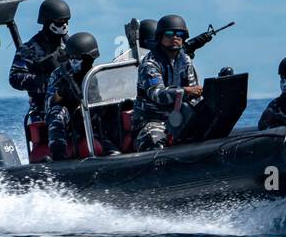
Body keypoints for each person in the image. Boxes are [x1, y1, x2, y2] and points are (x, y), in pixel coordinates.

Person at [45, 32, 120, 160]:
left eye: (78, 58)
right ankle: (58, 157)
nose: (74, 62)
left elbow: (99, 100)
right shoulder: (59, 74)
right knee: (58, 112)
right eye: (72, 58)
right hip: (68, 121)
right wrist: (61, 93)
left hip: (88, 117)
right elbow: (49, 105)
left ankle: (115, 148)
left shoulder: (94, 73)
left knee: (114, 107)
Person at [133, 14, 202, 150]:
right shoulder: (150, 64)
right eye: (169, 34)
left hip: (179, 117)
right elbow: (158, 95)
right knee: (156, 141)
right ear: (160, 37)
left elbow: (194, 93)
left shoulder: (185, 60)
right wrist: (185, 91)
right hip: (152, 119)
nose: (175, 38)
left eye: (179, 34)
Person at [8, 0, 70, 129]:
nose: (64, 24)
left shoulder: (70, 45)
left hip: (72, 101)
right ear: (48, 21)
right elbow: (15, 77)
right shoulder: (29, 48)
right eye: (60, 21)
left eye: (66, 21)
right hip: (43, 109)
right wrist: (46, 80)